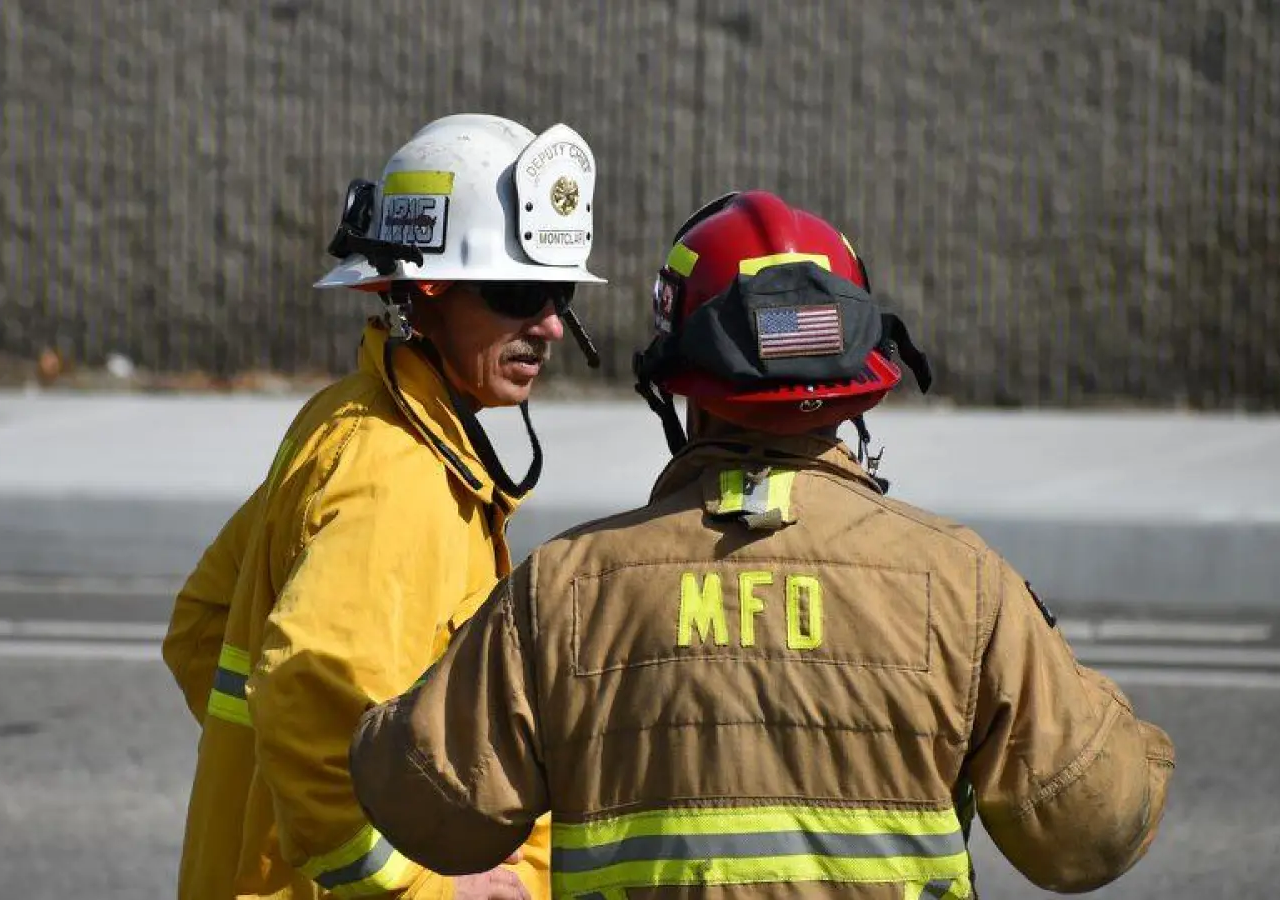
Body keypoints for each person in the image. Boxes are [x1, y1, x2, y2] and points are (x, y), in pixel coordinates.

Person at [348, 190, 1175, 899]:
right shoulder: (962, 584)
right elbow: (1088, 833)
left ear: (675, 383)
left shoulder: (563, 590)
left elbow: (434, 815)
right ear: (865, 375)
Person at [162, 113, 607, 900]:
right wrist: (422, 885)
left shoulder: (350, 416)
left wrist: (276, 795)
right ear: (419, 294)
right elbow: (303, 688)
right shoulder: (397, 471)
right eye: (518, 291)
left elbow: (202, 626)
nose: (548, 325)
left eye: (558, 291)